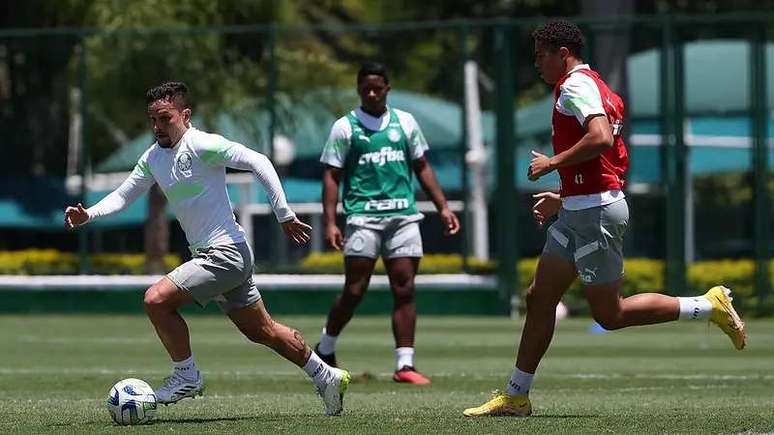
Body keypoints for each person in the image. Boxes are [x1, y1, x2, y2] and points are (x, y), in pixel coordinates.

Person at [463, 20, 746, 417]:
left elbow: (601, 138)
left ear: (563, 53)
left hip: (594, 214)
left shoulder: (576, 86)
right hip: (580, 211)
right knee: (539, 297)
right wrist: (565, 199)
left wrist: (552, 164)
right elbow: (605, 163)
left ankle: (706, 304)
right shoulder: (595, 84)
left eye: (541, 55)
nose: (537, 63)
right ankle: (516, 395)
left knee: (610, 315)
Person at [64, 82, 350, 416]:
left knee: (155, 300)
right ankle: (325, 375)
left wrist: (284, 214)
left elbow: (258, 161)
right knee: (264, 331)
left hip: (225, 253)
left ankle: (186, 376)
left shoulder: (201, 144)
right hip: (219, 256)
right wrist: (89, 214)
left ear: (184, 115)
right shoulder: (153, 158)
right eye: (152, 120)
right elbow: (125, 194)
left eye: (165, 118)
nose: (157, 127)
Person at [315, 62, 460, 385]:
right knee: (354, 290)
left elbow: (421, 166)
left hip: (403, 217)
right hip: (363, 218)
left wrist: (443, 207)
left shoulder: (405, 123)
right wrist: (330, 222)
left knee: (404, 288)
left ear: (387, 89)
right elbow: (331, 176)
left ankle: (405, 365)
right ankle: (325, 348)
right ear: (358, 89)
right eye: (365, 87)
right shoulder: (345, 127)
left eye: (377, 87)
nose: (371, 93)